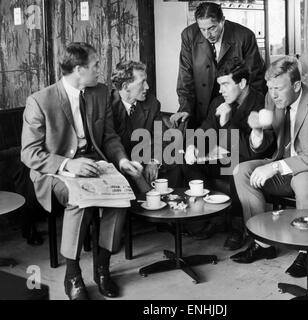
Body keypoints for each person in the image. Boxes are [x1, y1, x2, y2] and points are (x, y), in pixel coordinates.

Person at [21, 42, 143, 300]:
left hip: (95, 163)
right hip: (56, 171)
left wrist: (121, 161)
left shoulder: (100, 93)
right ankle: (73, 275)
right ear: (78, 69)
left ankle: (102, 269)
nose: (101, 69)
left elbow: (109, 137)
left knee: (121, 198)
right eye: (96, 64)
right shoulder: (40, 101)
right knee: (81, 200)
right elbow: (29, 154)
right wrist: (68, 164)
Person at [231, 56, 308, 279]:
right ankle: (262, 242)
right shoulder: (272, 98)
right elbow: (268, 143)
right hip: (285, 168)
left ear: (295, 85)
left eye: (278, 88)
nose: (273, 94)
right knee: (241, 171)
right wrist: (257, 132)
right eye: (269, 88)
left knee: (301, 180)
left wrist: (275, 167)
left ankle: (307, 251)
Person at [183, 57, 270, 244]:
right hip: (225, 160)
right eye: (219, 84)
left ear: (242, 83)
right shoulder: (218, 102)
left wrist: (227, 122)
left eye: (225, 84)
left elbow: (251, 152)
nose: (221, 90)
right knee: (188, 164)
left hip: (250, 163)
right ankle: (213, 217)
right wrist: (192, 146)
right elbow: (204, 128)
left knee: (236, 165)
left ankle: (238, 227)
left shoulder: (260, 103)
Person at [171, 1, 266, 129]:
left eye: (212, 28)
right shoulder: (189, 35)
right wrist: (185, 108)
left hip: (236, 111)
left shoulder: (245, 36)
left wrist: (246, 113)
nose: (207, 35)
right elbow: (185, 78)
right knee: (199, 145)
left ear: (223, 20)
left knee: (234, 146)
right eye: (202, 29)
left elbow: (255, 81)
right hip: (201, 109)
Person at [111, 60, 183, 190]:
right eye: (142, 82)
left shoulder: (151, 103)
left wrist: (154, 161)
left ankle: (171, 203)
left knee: (174, 160)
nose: (147, 87)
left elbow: (160, 135)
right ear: (126, 86)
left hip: (143, 158)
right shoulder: (107, 105)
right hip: (119, 161)